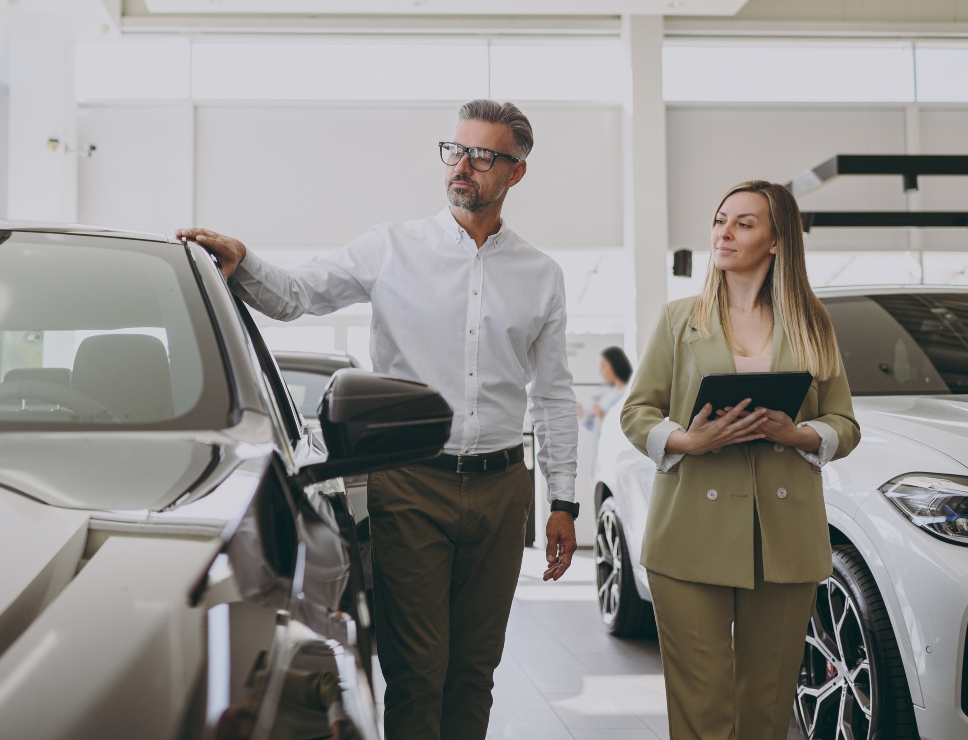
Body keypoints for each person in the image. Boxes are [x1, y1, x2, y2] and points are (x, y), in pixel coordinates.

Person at [177, 99, 579, 740]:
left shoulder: (542, 275)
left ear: (516, 173)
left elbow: (554, 395)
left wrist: (563, 500)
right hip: (411, 482)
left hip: (504, 487)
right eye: (455, 150)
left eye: (483, 155)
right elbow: (299, 293)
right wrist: (243, 258)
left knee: (476, 669)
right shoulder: (391, 248)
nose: (462, 166)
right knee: (418, 669)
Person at [620, 180, 860, 740]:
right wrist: (688, 442)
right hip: (689, 535)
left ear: (778, 241)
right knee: (701, 708)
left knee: (767, 706)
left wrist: (797, 433)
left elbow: (845, 425)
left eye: (743, 223)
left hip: (785, 536)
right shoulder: (680, 319)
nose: (723, 233)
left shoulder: (813, 323)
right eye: (720, 220)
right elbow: (638, 413)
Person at [579, 346, 632, 434]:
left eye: (603, 367)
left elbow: (623, 426)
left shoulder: (627, 393)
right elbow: (593, 427)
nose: (600, 372)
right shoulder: (609, 393)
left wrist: (602, 417)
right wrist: (582, 417)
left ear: (615, 365)